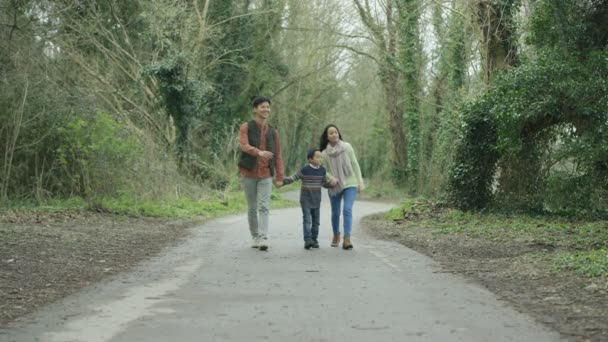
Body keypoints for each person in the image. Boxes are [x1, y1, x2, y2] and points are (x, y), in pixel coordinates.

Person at [238, 96, 284, 251]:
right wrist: (258, 152)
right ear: (255, 109)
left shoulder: (273, 131)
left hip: (266, 174)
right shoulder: (246, 127)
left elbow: (277, 155)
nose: (266, 109)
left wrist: (279, 176)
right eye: (263, 107)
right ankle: (255, 236)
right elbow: (243, 145)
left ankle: (263, 238)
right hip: (248, 173)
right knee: (252, 207)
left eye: (268, 107)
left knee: (263, 206)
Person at [277, 148, 336, 249]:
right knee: (307, 219)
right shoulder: (305, 169)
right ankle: (308, 240)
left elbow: (323, 183)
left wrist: (331, 184)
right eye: (317, 157)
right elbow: (293, 178)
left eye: (320, 157)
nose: (320, 159)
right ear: (310, 159)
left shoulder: (322, 170)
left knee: (316, 221)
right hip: (306, 199)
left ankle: (314, 239)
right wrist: (281, 182)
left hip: (316, 200)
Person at [319, 124, 364, 250]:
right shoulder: (324, 154)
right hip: (335, 184)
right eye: (331, 133)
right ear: (327, 137)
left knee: (347, 209)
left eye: (336, 132)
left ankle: (347, 238)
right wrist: (330, 177)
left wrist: (360, 181)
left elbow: (355, 164)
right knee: (335, 212)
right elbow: (323, 170)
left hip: (350, 182)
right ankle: (336, 235)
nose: (334, 134)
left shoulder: (347, 147)